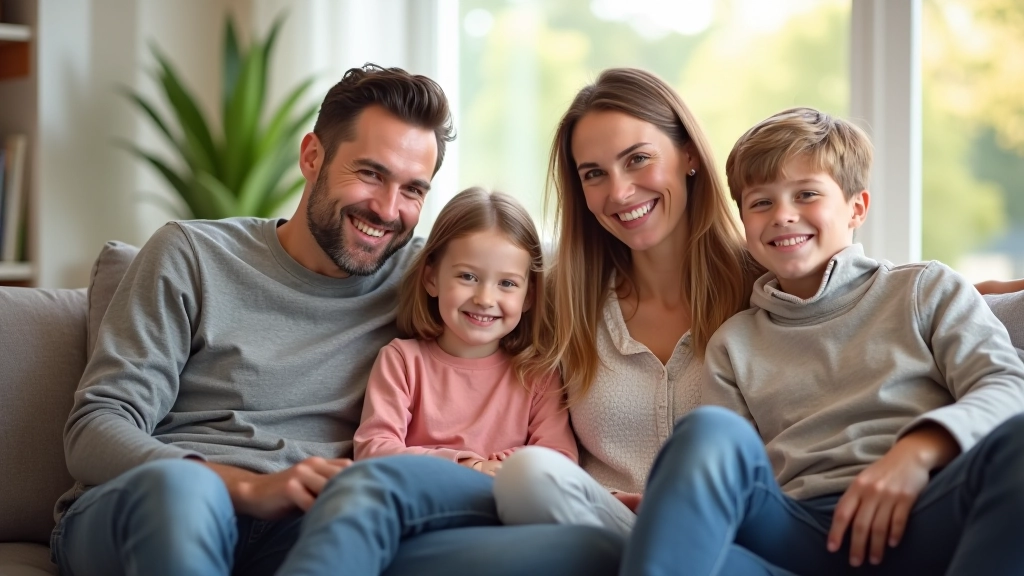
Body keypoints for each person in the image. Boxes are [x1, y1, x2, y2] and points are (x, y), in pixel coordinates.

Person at [52, 64, 621, 576]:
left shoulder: (429, 276)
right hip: (174, 501)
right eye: (371, 173)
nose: (387, 209)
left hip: (320, 524)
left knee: (577, 553)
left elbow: (519, 274)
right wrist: (246, 487)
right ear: (311, 157)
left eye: (413, 190)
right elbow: (95, 429)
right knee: (182, 493)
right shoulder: (192, 254)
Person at [619, 107, 1024, 575]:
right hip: (798, 538)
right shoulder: (734, 343)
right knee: (708, 433)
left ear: (857, 207)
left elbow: (1008, 386)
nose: (783, 216)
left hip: (928, 514)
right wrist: (673, 501)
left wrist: (916, 453)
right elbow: (736, 481)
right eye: (761, 202)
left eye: (806, 194)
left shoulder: (925, 289)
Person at [352, 187, 577, 473]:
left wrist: (500, 466)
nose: (485, 299)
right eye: (468, 276)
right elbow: (373, 450)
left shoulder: (539, 375)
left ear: (529, 296)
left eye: (507, 283)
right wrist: (470, 466)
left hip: (505, 508)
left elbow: (560, 459)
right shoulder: (402, 361)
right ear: (431, 278)